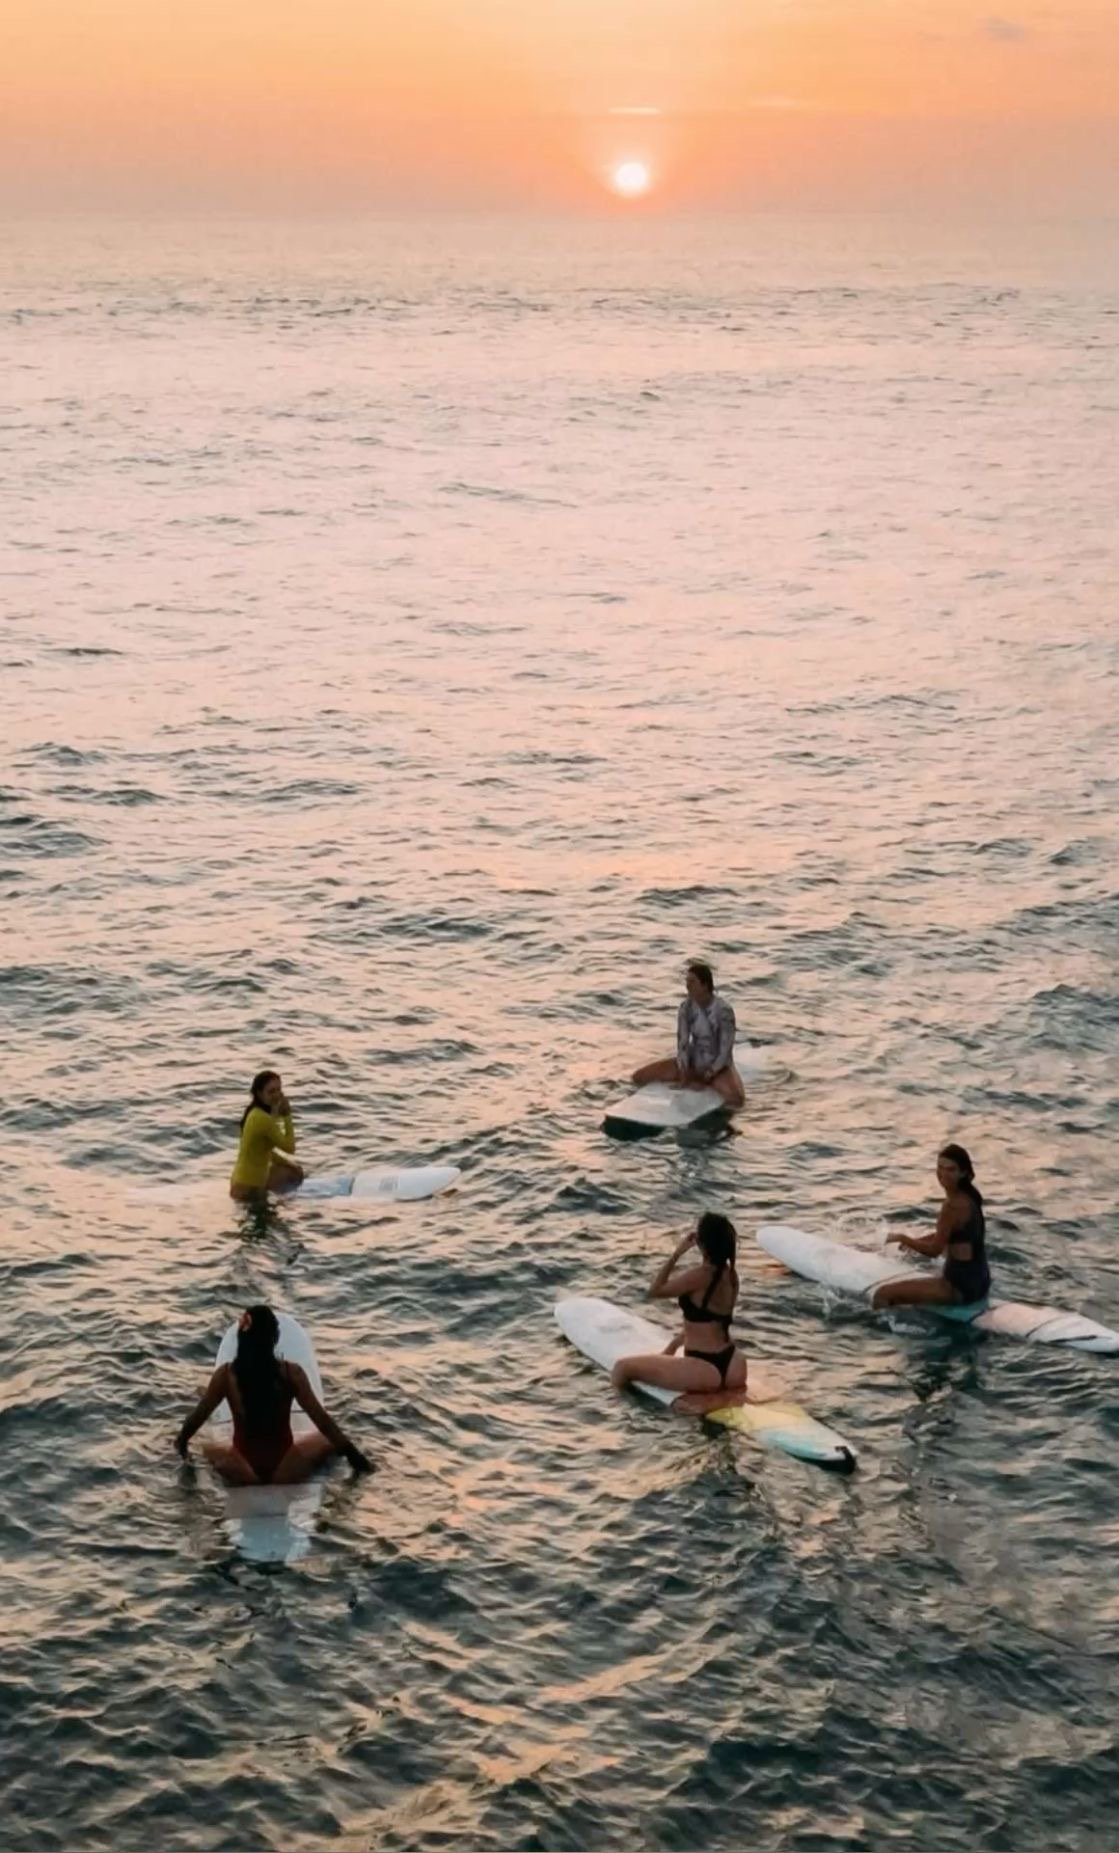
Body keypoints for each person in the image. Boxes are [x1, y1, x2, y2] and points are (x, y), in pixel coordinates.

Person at [175, 1304, 373, 1484]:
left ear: (241, 1337)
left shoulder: (226, 1375)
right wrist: (357, 1459)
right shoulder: (290, 1373)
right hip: (285, 1470)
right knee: (325, 1440)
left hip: (243, 1471)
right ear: (275, 1338)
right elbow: (322, 1421)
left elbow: (196, 1419)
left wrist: (181, 1444)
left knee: (206, 1444)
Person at [611, 1211, 747, 1405]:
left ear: (703, 1244)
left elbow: (655, 1290)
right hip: (735, 1365)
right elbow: (710, 1323)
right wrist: (674, 1345)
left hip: (703, 1369)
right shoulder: (732, 1278)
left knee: (621, 1369)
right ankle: (723, 1398)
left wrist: (677, 1253)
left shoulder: (699, 1276)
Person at [872, 1144, 991, 1309]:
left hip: (958, 1288)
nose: (943, 1174)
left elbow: (934, 1251)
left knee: (882, 1294)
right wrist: (913, 1243)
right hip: (981, 1282)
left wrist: (902, 1238)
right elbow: (952, 1238)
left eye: (950, 1169)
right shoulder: (971, 1198)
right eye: (940, 1167)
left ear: (963, 1173)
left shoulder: (952, 1206)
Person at [631, 960, 745, 1107]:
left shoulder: (723, 1011)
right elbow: (683, 1043)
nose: (687, 986)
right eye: (687, 981)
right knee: (639, 1077)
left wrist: (708, 1076)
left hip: (719, 1067)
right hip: (694, 1061)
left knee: (736, 1100)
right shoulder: (686, 1007)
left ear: (704, 985)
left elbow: (725, 1050)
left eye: (692, 982)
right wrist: (684, 1072)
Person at [230, 1070, 304, 1201]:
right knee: (295, 1174)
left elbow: (266, 1151)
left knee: (291, 1169)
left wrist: (290, 1164)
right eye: (271, 1092)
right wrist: (287, 1115)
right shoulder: (262, 1119)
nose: (276, 1095)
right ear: (260, 1094)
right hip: (249, 1190)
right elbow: (290, 1148)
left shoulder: (253, 1113)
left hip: (238, 1183)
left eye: (278, 1090)